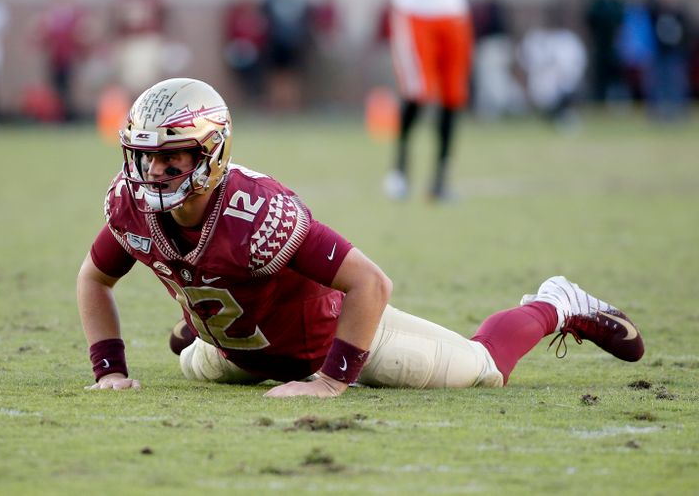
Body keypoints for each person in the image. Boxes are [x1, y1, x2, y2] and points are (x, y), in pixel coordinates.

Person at [77, 78, 645, 397]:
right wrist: (111, 369)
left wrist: (328, 383)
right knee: (192, 361)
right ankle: (213, 312)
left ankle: (556, 304)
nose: (155, 173)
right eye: (146, 157)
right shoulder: (131, 205)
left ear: (212, 151)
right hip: (244, 354)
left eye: (173, 157)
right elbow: (94, 278)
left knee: (481, 371)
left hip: (332, 340)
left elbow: (371, 284)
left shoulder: (256, 211)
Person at [382, 0, 472, 202]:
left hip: (453, 9)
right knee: (417, 93)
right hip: (414, 8)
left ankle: (441, 180)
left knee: (453, 96)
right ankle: (400, 169)